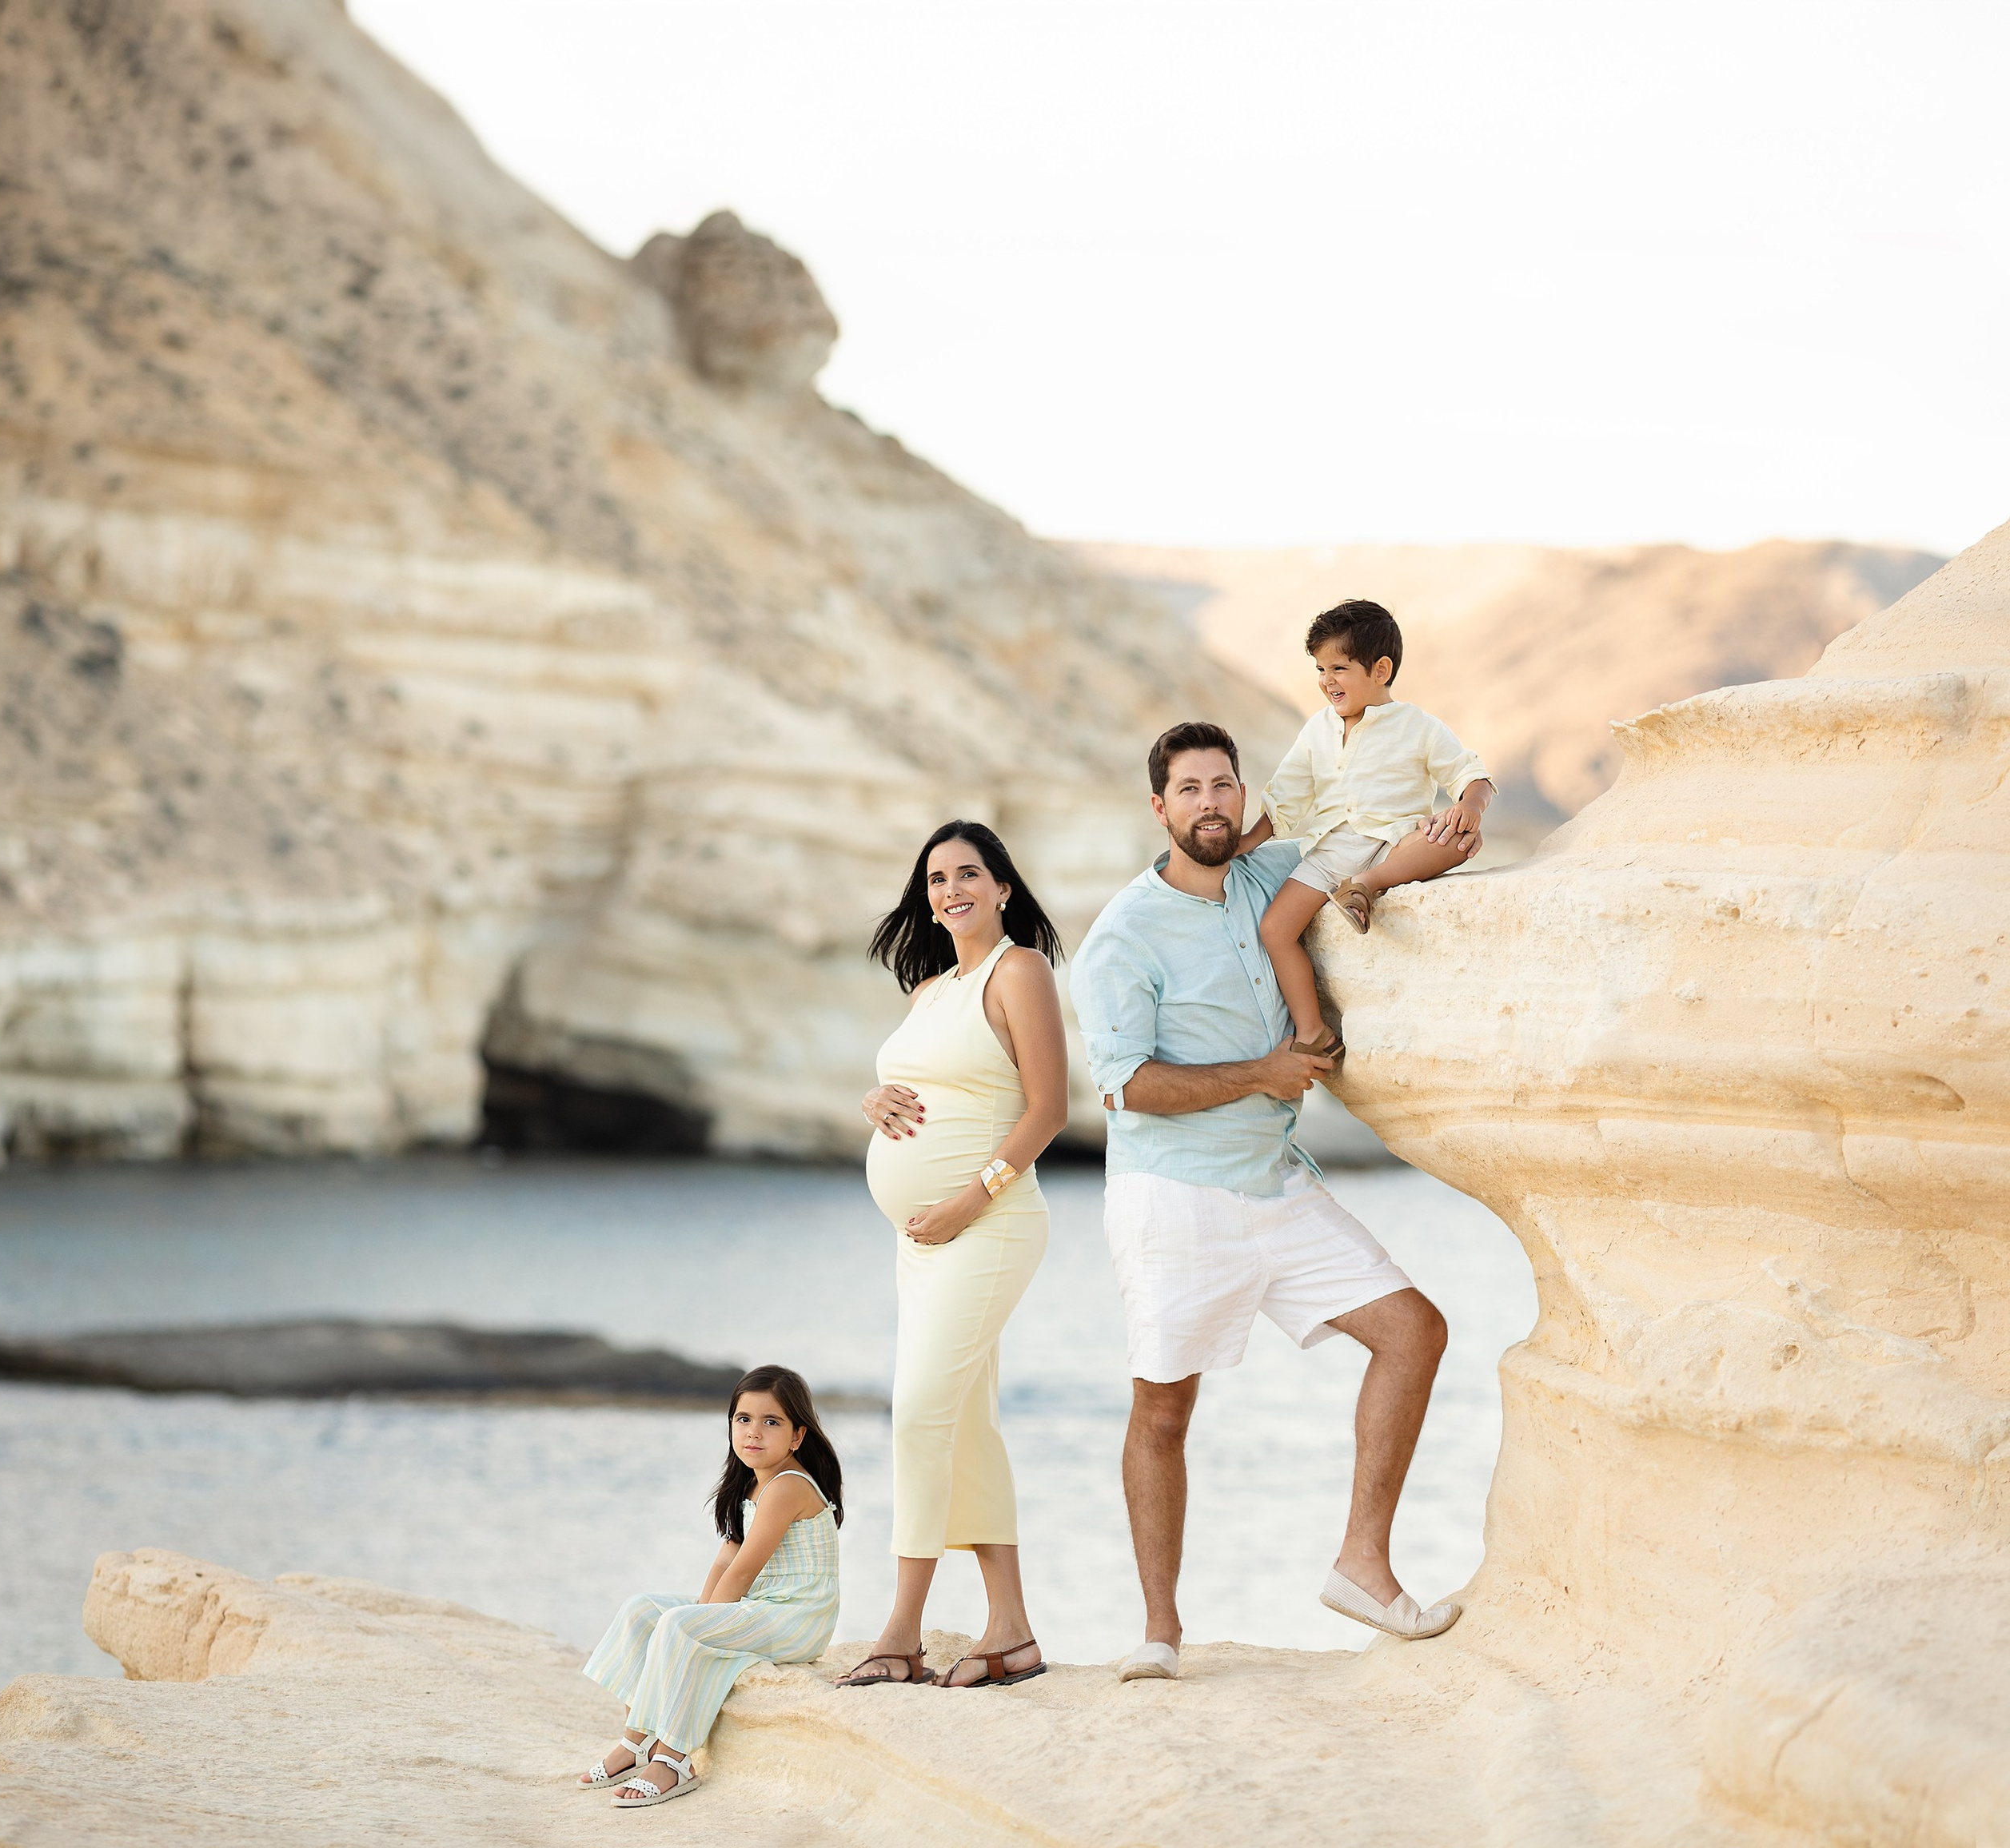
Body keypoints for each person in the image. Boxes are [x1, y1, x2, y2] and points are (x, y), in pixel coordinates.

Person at [1068, 721, 1460, 1683]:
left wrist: (1450, 827)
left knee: (1414, 1332)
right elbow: (1126, 1086)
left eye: (1222, 785)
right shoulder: (1121, 934)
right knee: (1164, 1409)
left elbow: (1359, 848)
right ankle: (1159, 1631)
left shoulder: (1270, 876)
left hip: (1276, 1181)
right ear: (1157, 807)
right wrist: (1263, 1071)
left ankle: (1360, 1564)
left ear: (1241, 796)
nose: (1209, 803)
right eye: (1189, 788)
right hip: (1174, 1196)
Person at [837, 820, 1068, 1691]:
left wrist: (973, 1196)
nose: (951, 889)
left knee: (918, 1414)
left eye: (968, 873)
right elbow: (919, 1085)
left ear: (1003, 886)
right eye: (936, 879)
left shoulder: (1020, 971)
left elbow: (1049, 1108)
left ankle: (899, 1632)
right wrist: (875, 1100)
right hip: (925, 1241)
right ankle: (1011, 1633)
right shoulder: (931, 989)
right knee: (966, 1424)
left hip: (991, 1225)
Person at [576, 1365, 843, 1807]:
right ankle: (637, 1740)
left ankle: (674, 1759)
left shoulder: (788, 1487)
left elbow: (742, 1573)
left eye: (771, 1422)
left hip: (797, 1617)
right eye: (744, 1419)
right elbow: (724, 1561)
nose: (754, 1432)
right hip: (762, 1606)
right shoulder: (750, 1485)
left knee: (681, 1628)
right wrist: (696, 1615)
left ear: (797, 1436)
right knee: (644, 1610)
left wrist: (695, 1625)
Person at [1239, 599, 1495, 1055]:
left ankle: (1364, 886)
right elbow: (1286, 796)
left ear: (1380, 670)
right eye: (1320, 669)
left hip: (1396, 845)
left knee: (1463, 836)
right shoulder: (1317, 730)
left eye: (1339, 668)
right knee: (1275, 930)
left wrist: (1471, 805)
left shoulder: (1418, 726)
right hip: (1330, 851)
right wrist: (1247, 843)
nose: (1327, 680)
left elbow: (1470, 773)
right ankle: (1313, 1031)